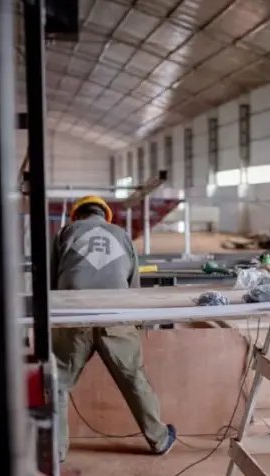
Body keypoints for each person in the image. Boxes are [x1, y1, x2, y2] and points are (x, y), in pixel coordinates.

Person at [51, 195, 176, 461]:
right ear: (105, 215)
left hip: (73, 316)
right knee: (133, 380)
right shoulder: (121, 235)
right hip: (116, 316)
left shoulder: (66, 233)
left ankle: (56, 451)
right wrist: (135, 322)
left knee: (58, 383)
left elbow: (51, 283)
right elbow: (134, 286)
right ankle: (159, 439)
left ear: (77, 215)